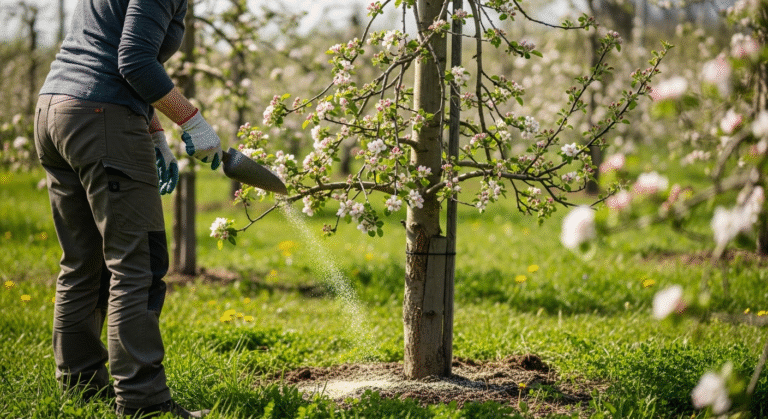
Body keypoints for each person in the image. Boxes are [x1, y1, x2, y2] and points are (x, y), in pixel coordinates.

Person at [33, 0, 220, 416]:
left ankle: (81, 389)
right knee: (138, 263)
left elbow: (107, 44)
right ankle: (143, 403)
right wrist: (191, 120)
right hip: (100, 116)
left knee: (84, 262)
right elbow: (134, 60)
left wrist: (154, 132)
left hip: (55, 110)